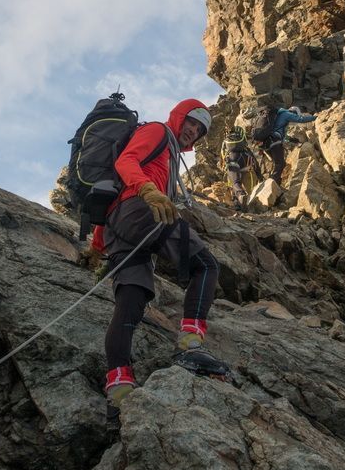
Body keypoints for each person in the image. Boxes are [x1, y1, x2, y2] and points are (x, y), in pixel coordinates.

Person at [97, 98, 219, 415]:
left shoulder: (171, 152)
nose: (193, 131)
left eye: (200, 130)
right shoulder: (156, 131)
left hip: (120, 225)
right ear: (178, 116)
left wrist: (97, 246)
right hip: (143, 210)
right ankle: (190, 342)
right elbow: (126, 162)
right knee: (205, 266)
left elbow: (113, 198)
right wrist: (149, 191)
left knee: (132, 299)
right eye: (191, 122)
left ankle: (119, 386)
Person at [263, 105, 317, 184]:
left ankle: (275, 182)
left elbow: (283, 136)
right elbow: (301, 119)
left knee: (277, 163)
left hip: (266, 142)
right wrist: (315, 118)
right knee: (280, 164)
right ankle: (273, 183)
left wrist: (293, 140)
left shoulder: (278, 116)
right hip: (274, 142)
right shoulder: (287, 114)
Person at [221, 125, 261, 209]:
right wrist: (260, 176)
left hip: (232, 161)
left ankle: (239, 199)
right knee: (250, 190)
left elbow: (222, 159)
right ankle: (247, 203)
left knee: (234, 182)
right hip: (246, 165)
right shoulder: (246, 149)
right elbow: (255, 163)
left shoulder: (226, 144)